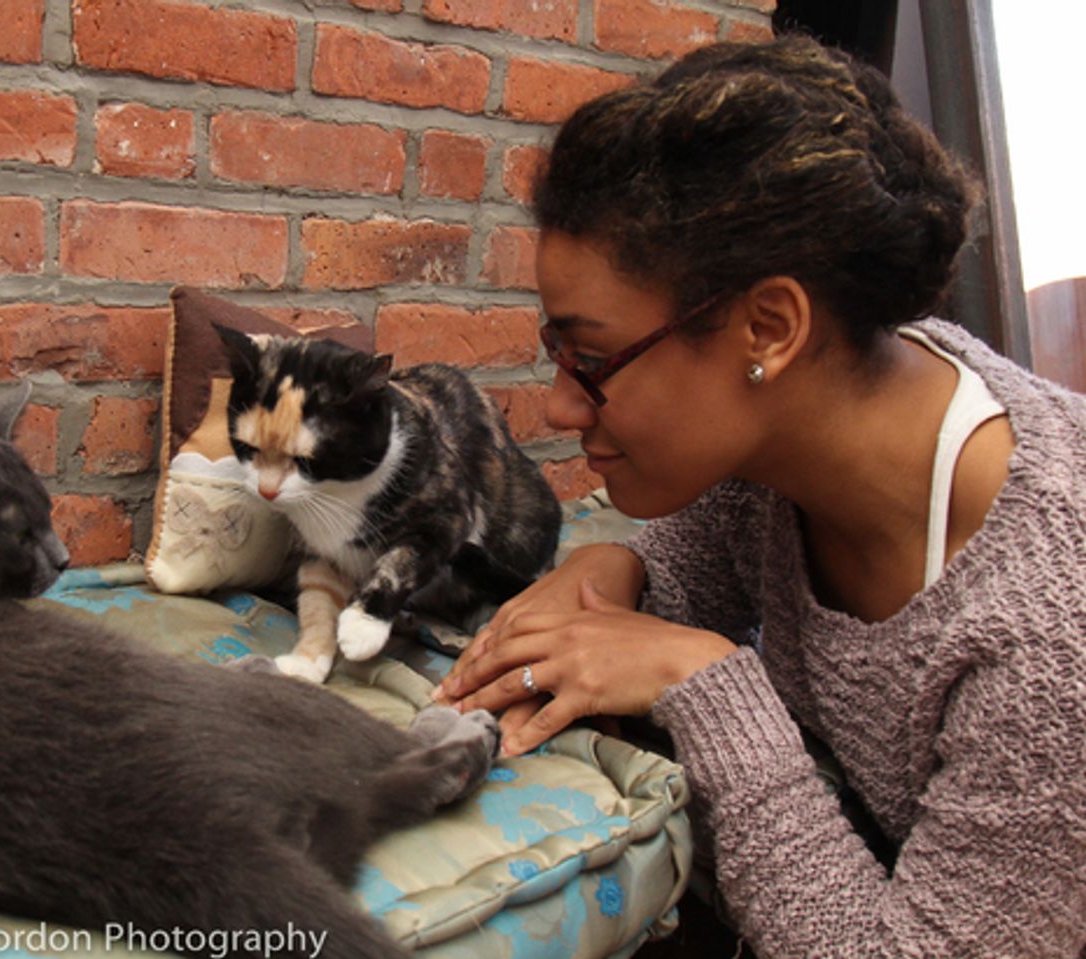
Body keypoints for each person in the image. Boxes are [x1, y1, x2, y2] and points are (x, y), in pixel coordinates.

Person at [435, 35, 1086, 958]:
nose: (559, 403)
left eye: (592, 357)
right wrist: (615, 562)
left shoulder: (1052, 632)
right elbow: (705, 553)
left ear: (770, 328)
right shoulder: (826, 410)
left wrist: (706, 682)